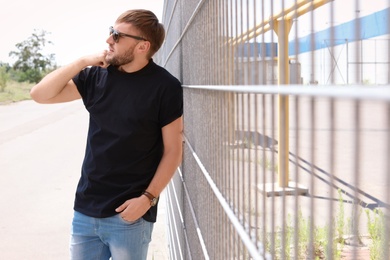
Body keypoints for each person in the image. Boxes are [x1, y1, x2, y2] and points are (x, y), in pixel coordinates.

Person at [30, 9, 183, 260]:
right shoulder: (96, 76)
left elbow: (173, 150)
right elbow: (40, 95)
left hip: (129, 215)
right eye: (110, 32)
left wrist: (147, 199)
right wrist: (81, 62)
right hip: (85, 211)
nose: (109, 39)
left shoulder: (165, 87)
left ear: (143, 46)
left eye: (117, 35)